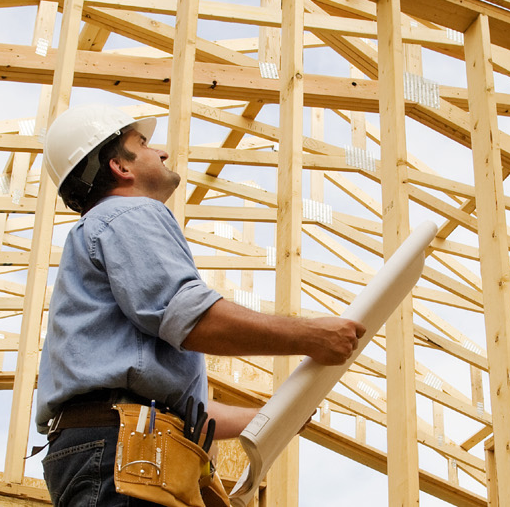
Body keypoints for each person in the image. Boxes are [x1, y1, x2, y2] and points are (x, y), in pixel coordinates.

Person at [34, 104, 365, 506]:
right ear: (121, 166)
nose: (162, 152)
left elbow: (188, 413)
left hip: (121, 445)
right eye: (144, 144)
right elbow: (190, 317)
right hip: (123, 450)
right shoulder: (129, 213)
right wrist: (310, 336)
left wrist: (273, 416)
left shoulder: (102, 232)